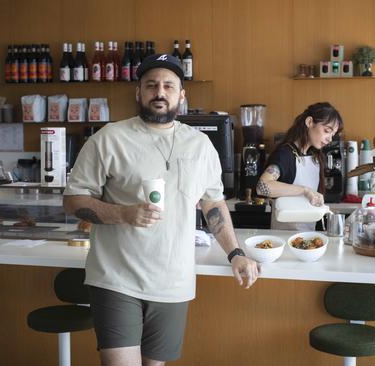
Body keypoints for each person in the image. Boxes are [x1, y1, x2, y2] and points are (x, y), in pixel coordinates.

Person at [63, 53, 260, 366]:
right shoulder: (109, 139)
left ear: (181, 95)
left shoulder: (199, 145)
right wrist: (123, 214)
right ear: (138, 92)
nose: (160, 91)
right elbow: (73, 200)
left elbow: (212, 203)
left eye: (169, 86)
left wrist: (235, 253)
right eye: (151, 85)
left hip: (173, 282)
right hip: (116, 278)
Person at [256, 102, 343, 231]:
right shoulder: (285, 154)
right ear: (309, 122)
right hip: (284, 239)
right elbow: (262, 187)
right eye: (327, 131)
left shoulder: (315, 157)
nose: (330, 139)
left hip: (308, 237)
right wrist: (304, 190)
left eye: (332, 134)